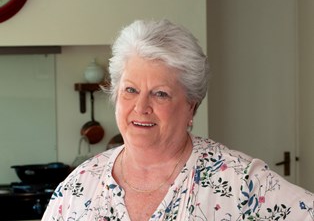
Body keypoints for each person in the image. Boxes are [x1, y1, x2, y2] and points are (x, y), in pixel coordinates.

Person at [42, 19, 314, 221]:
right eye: (131, 90)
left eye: (160, 94)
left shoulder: (241, 182)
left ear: (191, 107)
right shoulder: (78, 187)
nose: (141, 106)